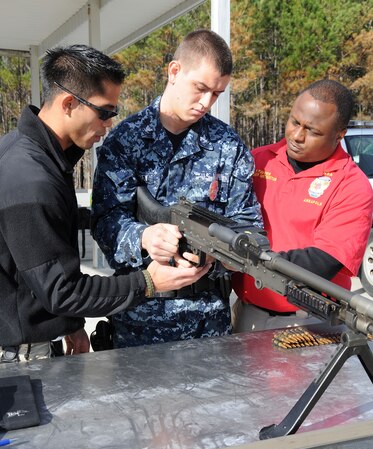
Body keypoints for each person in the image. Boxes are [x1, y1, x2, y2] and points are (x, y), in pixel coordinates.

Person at [0, 44, 211, 363]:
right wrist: (149, 282)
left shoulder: (29, 153)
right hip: (19, 356)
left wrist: (66, 324)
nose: (110, 123)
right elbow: (63, 291)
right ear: (69, 103)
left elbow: (38, 262)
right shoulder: (31, 180)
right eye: (105, 112)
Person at [91, 29, 263, 348]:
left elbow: (250, 225)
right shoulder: (125, 141)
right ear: (174, 71)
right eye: (200, 88)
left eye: (217, 94)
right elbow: (104, 222)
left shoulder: (227, 145)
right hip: (139, 321)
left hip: (207, 322)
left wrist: (231, 253)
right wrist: (144, 237)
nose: (206, 103)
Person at [231, 79, 373, 332]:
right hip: (247, 312)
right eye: (295, 122)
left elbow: (323, 262)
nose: (297, 136)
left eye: (313, 131)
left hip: (307, 320)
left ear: (340, 134)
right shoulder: (258, 161)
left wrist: (248, 259)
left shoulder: (351, 185)